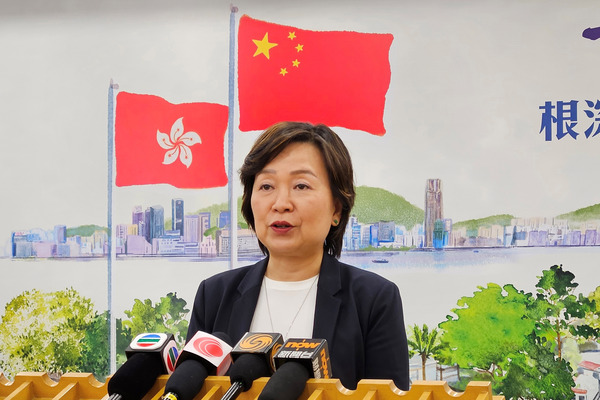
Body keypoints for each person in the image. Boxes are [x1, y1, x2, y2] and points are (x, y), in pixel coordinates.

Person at [186, 121, 410, 390]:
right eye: (266, 186)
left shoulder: (373, 300)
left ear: (337, 209)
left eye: (301, 186)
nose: (281, 204)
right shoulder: (214, 295)